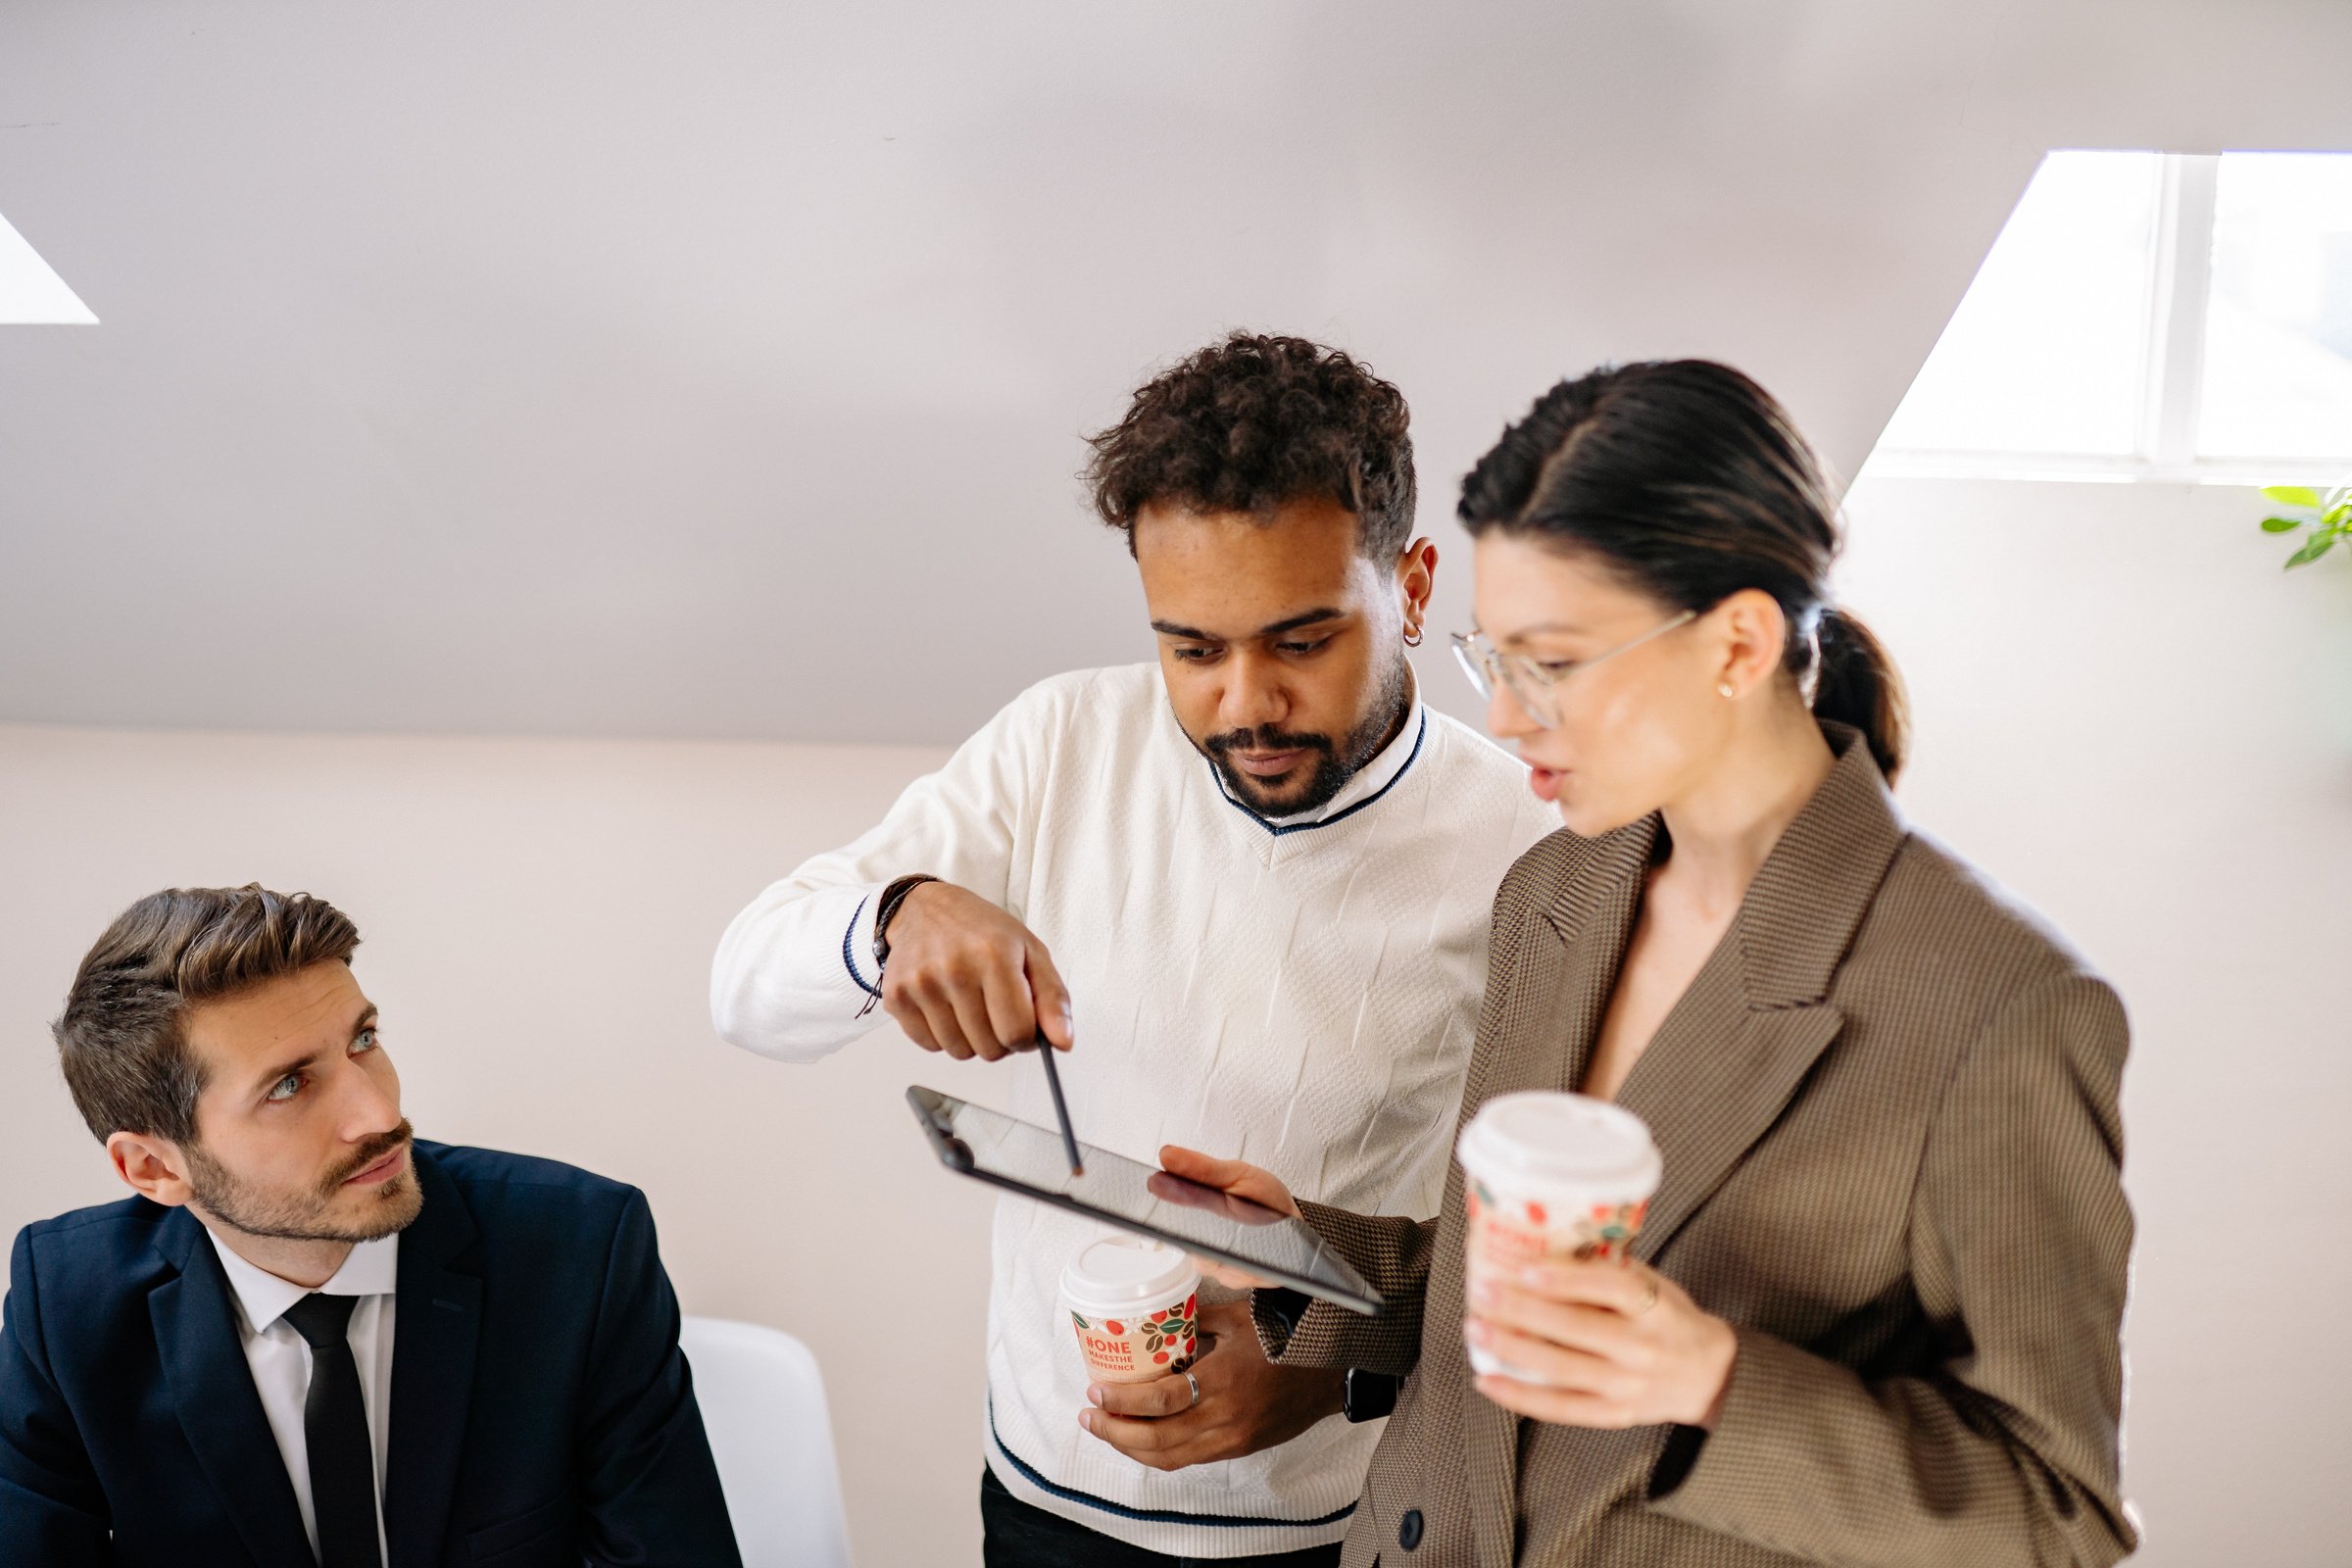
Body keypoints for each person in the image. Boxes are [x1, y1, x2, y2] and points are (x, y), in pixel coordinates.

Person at [1163, 361, 2138, 1567]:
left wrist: (1714, 1379)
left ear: (1736, 643)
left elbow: (2058, 1514)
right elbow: (1521, 1282)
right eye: (1494, 658)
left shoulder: (1998, 1004)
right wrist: (1311, 1254)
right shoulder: (1559, 890)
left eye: (1554, 664)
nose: (1508, 719)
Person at [710, 333, 1556, 1565]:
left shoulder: (1530, 839)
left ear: (1414, 587)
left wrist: (1334, 1377)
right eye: (1193, 648)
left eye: (1302, 642)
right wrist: (890, 916)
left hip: (1353, 1517)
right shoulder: (1061, 743)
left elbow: (1567, 1240)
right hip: (1049, 1496)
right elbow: (743, 985)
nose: (1244, 704)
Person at [0, 884, 740, 1568]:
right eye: (289, 1086)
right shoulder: (67, 1303)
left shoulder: (579, 1248)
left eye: (363, 1041)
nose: (381, 1117)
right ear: (155, 1170)